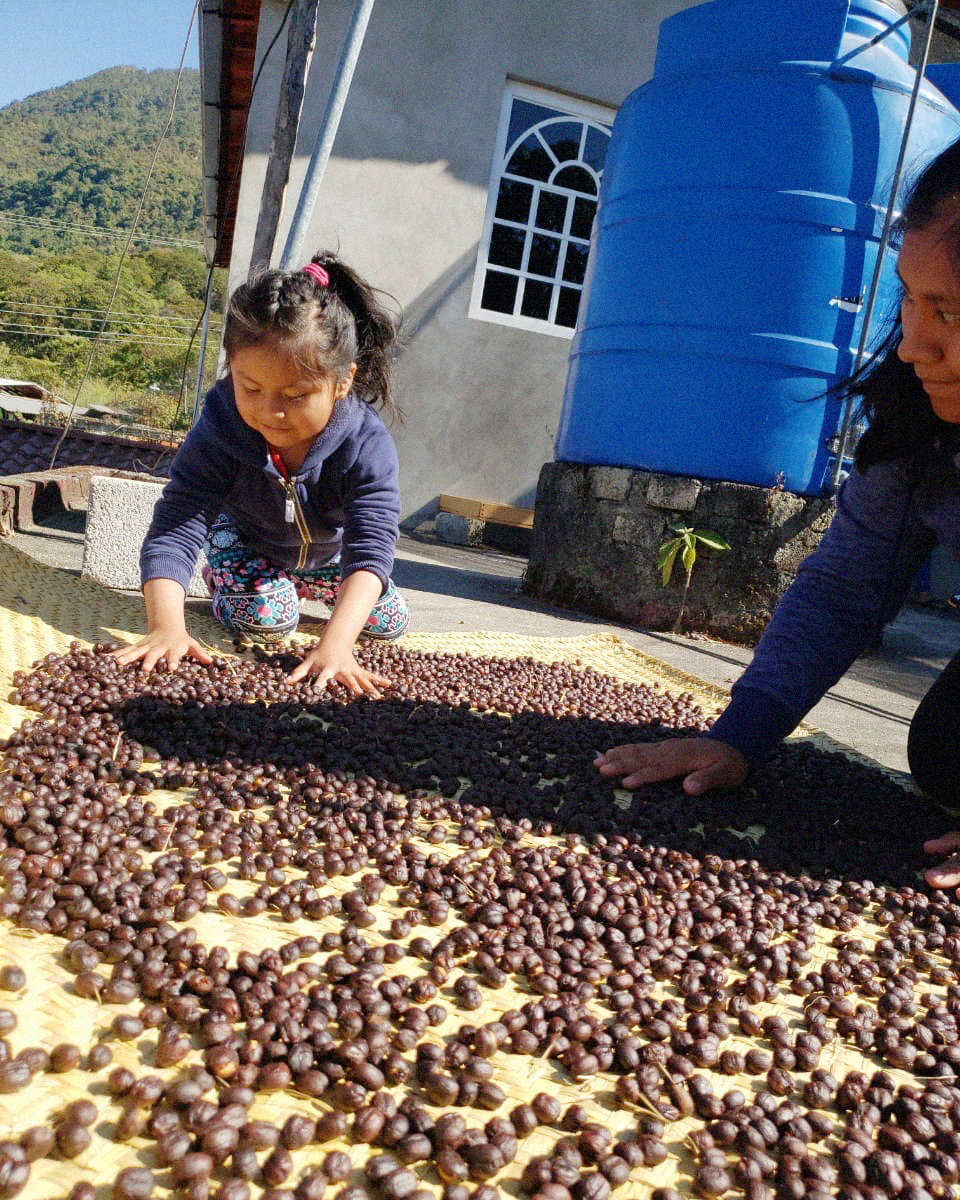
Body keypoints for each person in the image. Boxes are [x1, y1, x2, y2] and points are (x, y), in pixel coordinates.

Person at [594, 136, 960, 889]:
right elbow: (846, 585)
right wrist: (741, 736)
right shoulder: (922, 428)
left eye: (950, 311)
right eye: (910, 301)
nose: (913, 346)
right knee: (949, 753)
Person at [116, 252, 409, 697]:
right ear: (232, 368)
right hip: (248, 541)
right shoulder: (221, 428)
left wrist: (335, 646)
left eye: (295, 394)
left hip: (325, 558)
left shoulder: (365, 444)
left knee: (387, 622)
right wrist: (165, 628)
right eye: (249, 387)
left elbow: (371, 548)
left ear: (343, 382)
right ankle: (230, 578)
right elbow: (177, 526)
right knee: (267, 620)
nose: (270, 410)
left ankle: (300, 587)